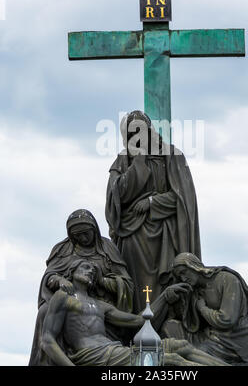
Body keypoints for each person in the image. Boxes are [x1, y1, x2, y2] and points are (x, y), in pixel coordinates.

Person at [41, 259, 229, 367]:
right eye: (85, 267)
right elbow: (47, 339)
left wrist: (164, 296)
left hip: (114, 351)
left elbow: (139, 320)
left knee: (180, 346)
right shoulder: (63, 296)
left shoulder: (100, 305)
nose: (90, 271)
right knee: (172, 360)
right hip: (92, 354)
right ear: (72, 272)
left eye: (93, 270)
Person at [105, 110, 201, 312]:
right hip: (133, 237)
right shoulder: (124, 161)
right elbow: (116, 197)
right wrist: (138, 161)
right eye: (134, 132)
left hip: (164, 238)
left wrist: (152, 202)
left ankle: (166, 331)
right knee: (136, 290)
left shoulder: (171, 157)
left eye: (143, 129)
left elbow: (183, 199)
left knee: (165, 287)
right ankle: (134, 329)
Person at [29, 209, 134, 365]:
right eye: (77, 236)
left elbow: (125, 283)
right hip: (71, 301)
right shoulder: (62, 249)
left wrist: (101, 281)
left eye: (86, 233)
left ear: (94, 230)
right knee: (45, 312)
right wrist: (59, 280)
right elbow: (49, 275)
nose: (83, 238)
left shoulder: (107, 248)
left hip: (101, 303)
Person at [155, 253, 248, 366]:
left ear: (194, 266)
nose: (183, 278)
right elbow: (191, 323)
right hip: (212, 335)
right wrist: (172, 297)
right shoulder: (196, 290)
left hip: (235, 340)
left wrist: (202, 308)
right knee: (170, 327)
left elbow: (227, 320)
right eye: (179, 276)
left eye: (183, 272)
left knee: (192, 354)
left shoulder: (227, 279)